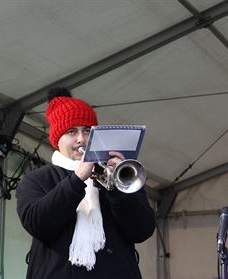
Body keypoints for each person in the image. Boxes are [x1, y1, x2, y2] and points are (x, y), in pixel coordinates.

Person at [16, 87, 155, 279]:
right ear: (57, 139)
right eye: (72, 131)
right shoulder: (37, 179)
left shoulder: (117, 176)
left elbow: (142, 230)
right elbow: (37, 223)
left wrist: (117, 188)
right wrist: (76, 180)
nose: (81, 139)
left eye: (88, 131)